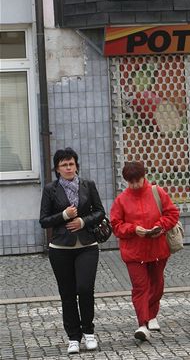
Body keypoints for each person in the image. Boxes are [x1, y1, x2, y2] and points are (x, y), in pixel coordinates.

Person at [39, 148, 105, 354]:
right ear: (57, 169)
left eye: (71, 164)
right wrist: (65, 215)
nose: (68, 168)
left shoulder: (88, 185)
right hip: (60, 248)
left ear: (76, 165)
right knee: (67, 294)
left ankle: (89, 332)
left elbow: (100, 211)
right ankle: (73, 337)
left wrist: (83, 221)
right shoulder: (50, 189)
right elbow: (44, 220)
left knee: (85, 289)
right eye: (64, 165)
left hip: (87, 246)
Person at [110, 161, 179, 341]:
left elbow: (172, 214)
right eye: (130, 182)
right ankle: (143, 323)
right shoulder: (121, 200)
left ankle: (151, 314)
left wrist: (159, 226)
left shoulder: (158, 192)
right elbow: (116, 226)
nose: (134, 185)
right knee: (140, 287)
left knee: (157, 285)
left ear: (144, 177)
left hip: (158, 248)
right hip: (134, 251)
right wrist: (133, 229)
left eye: (137, 181)